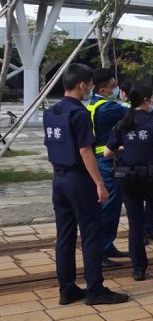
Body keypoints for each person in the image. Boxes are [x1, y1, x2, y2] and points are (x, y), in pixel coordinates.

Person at [45, 63, 129, 306]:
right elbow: (85, 151)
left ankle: (67, 287)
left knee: (65, 235)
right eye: (90, 84)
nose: (90, 88)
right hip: (80, 180)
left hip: (59, 179)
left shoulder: (52, 113)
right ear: (82, 84)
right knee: (91, 234)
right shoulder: (79, 113)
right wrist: (100, 184)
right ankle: (95, 288)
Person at [90, 69, 153, 267]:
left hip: (108, 159)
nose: (116, 89)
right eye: (112, 86)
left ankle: (125, 258)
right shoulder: (109, 109)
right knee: (111, 208)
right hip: (113, 164)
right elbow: (137, 113)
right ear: (102, 88)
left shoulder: (94, 104)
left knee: (125, 214)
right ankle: (102, 249)